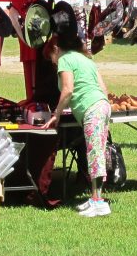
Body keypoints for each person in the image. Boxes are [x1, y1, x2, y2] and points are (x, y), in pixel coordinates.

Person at [43, 35, 112, 217]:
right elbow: (103, 88)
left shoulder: (65, 59)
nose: (53, 62)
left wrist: (56, 114)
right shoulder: (85, 59)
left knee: (95, 155)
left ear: (56, 49)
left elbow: (68, 89)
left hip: (92, 109)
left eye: (51, 57)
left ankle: (99, 202)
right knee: (96, 153)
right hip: (101, 106)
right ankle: (94, 197)